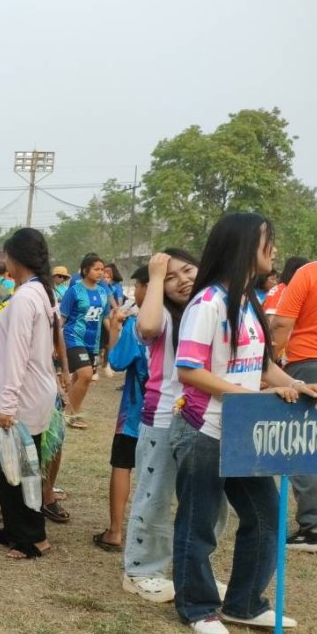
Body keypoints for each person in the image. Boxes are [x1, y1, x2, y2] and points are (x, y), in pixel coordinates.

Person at [171, 212, 317, 634]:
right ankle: (197, 607)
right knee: (199, 523)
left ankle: (244, 603)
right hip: (206, 429)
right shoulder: (207, 303)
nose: (273, 250)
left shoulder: (248, 302)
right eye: (266, 242)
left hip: (243, 432)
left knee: (266, 517)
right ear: (243, 246)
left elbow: (261, 366)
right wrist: (245, 398)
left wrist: (296, 385)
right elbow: (189, 369)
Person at [121, 249, 200, 602]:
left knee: (204, 503)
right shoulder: (163, 314)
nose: (182, 281)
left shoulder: (206, 310)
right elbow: (147, 327)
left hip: (203, 419)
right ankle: (141, 571)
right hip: (163, 417)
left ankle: (191, 573)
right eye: (171, 277)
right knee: (154, 497)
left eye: (188, 271)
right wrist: (154, 277)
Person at [271, 216, 317, 554]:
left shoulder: (310, 272)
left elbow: (282, 323)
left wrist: (271, 360)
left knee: (304, 441)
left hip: (312, 365)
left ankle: (316, 527)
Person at [0, 228, 60, 559]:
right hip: (36, 389)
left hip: (22, 395)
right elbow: (16, 334)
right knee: (16, 466)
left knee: (18, 469)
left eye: (6, 256)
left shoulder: (25, 298)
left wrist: (7, 406)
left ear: (15, 259)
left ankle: (32, 537)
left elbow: (18, 355)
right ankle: (16, 529)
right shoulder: (40, 292)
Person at [93, 267, 151, 554]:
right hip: (169, 416)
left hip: (134, 415)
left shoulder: (138, 327)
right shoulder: (183, 323)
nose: (134, 292)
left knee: (122, 465)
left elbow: (116, 362)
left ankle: (115, 531)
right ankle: (149, 535)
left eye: (137, 285)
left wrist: (115, 328)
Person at [59, 253, 113, 428]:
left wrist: (115, 331)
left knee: (78, 378)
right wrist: (54, 342)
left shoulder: (103, 292)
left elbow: (105, 318)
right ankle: (72, 414)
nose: (100, 273)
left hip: (93, 342)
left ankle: (66, 410)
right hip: (74, 337)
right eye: (96, 269)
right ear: (85, 270)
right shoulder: (74, 291)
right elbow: (62, 318)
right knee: (86, 375)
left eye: (102, 270)